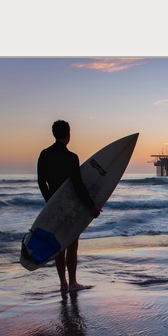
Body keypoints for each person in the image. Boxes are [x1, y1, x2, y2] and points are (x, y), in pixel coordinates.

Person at [37, 120, 102, 293]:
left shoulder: (44, 155)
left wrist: (49, 203)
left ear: (53, 134)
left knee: (59, 245)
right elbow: (78, 185)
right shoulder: (71, 157)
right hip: (71, 206)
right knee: (72, 243)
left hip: (54, 206)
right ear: (69, 134)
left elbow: (41, 182)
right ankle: (73, 282)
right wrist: (92, 206)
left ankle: (63, 283)